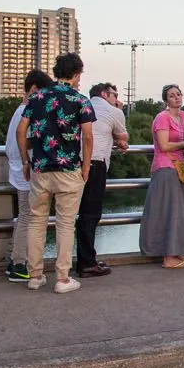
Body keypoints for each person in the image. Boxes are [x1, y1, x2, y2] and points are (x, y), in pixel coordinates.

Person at [16, 52, 94, 293]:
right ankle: (62, 278)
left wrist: (26, 161)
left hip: (40, 169)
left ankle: (35, 276)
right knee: (65, 224)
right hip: (69, 169)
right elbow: (88, 137)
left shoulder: (36, 97)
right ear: (76, 74)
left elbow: (21, 131)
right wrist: (86, 166)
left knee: (36, 222)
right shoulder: (80, 100)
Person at [3, 70, 53, 283]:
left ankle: (16, 261)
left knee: (25, 216)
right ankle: (19, 264)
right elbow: (27, 141)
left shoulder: (19, 110)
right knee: (28, 217)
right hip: (26, 172)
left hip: (18, 169)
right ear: (34, 89)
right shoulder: (28, 112)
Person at [74, 82, 128, 279]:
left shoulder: (81, 106)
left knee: (70, 215)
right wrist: (118, 115)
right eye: (115, 94)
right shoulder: (113, 111)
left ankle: (77, 261)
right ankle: (87, 263)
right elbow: (123, 135)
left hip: (72, 163)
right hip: (95, 163)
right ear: (105, 94)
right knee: (90, 214)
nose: (117, 98)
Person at [140, 85, 184, 268]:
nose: (176, 98)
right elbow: (163, 145)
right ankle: (168, 257)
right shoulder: (162, 118)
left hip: (181, 169)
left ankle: (177, 252)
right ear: (166, 100)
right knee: (169, 212)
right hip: (166, 168)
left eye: (178, 94)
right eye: (172, 96)